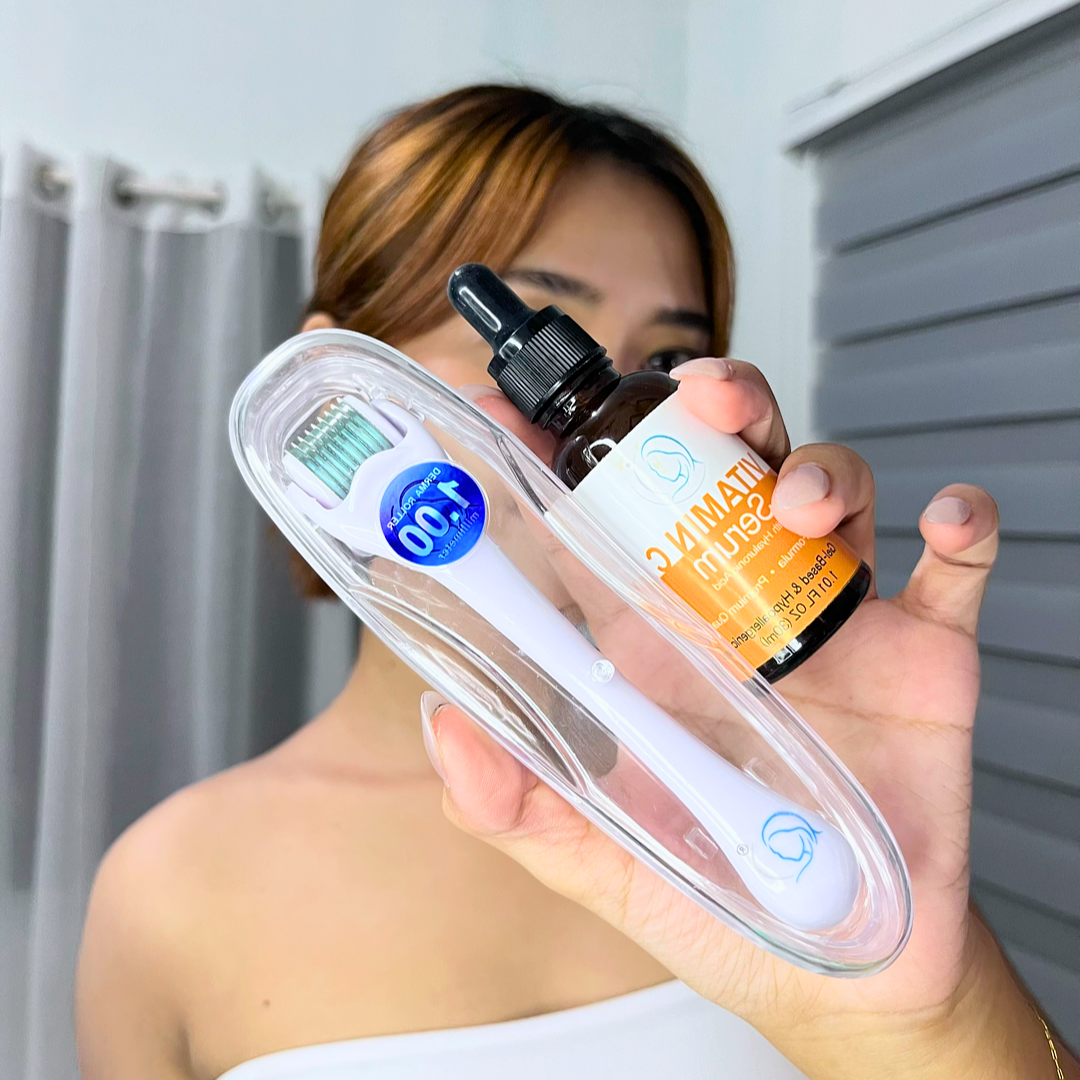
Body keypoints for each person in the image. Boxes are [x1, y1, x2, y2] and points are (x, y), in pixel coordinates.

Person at [75, 85, 1077, 1080]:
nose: (581, 421)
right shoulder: (165, 897)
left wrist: (934, 1023)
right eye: (514, 345)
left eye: (669, 354)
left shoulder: (795, 795)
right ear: (335, 383)